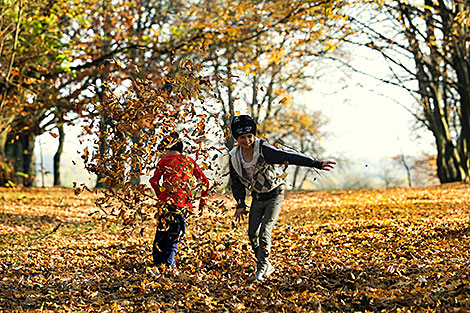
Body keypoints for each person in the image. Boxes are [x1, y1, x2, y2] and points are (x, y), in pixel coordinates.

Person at [229, 115, 336, 281]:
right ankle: (265, 263)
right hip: (257, 196)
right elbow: (235, 182)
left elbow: (289, 157)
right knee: (252, 234)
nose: (247, 140)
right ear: (237, 138)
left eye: (250, 136)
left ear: (254, 135)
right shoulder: (234, 157)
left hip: (274, 194)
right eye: (242, 137)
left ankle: (262, 267)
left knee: (265, 230)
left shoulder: (263, 149)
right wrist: (240, 203)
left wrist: (316, 163)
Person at [149, 132, 209, 268]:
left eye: (161, 151)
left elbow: (153, 181)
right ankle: (168, 265)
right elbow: (205, 181)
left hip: (165, 204)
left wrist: (160, 195)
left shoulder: (164, 161)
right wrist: (201, 203)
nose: (161, 155)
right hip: (183, 205)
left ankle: (159, 263)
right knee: (175, 235)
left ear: (167, 149)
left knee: (161, 233)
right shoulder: (189, 161)